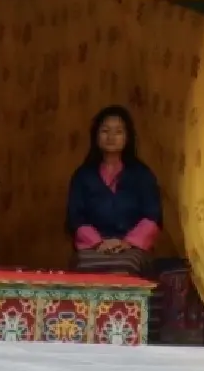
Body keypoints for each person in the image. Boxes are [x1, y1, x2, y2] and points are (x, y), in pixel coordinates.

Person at [65, 106, 164, 274]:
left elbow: (153, 216)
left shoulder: (142, 175)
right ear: (96, 136)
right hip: (93, 247)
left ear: (127, 137)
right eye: (105, 131)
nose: (111, 137)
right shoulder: (83, 176)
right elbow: (75, 218)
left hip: (132, 248)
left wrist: (127, 242)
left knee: (127, 266)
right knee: (84, 266)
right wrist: (98, 242)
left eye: (118, 132)